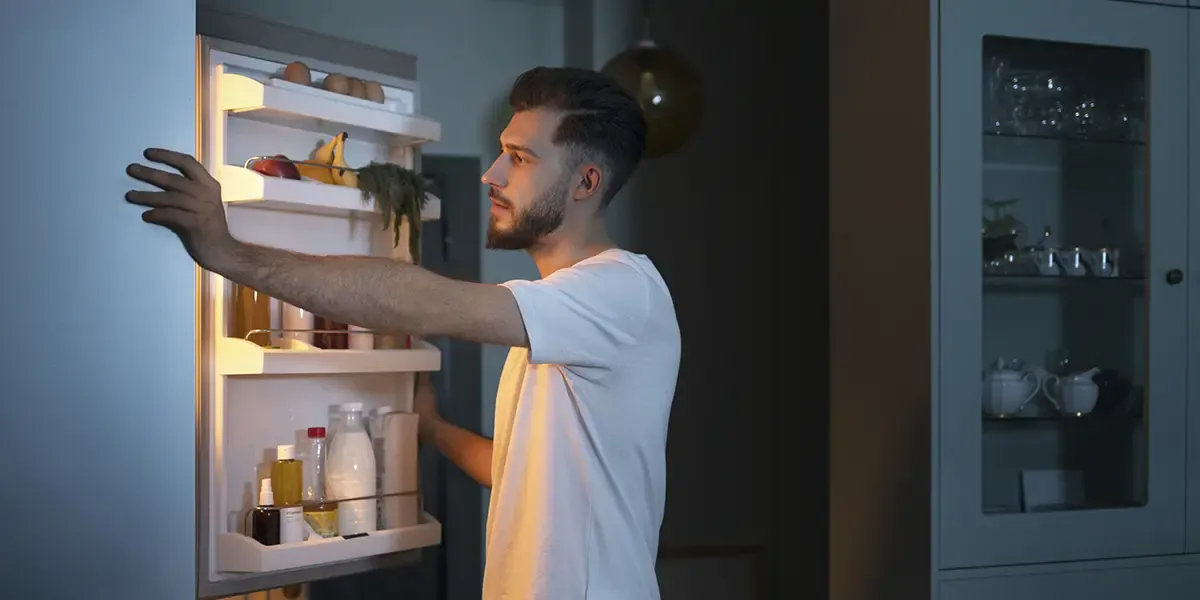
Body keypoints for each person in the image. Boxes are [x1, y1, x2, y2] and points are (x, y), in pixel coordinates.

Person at [124, 66, 681, 599]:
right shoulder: (564, 315)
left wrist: (230, 254)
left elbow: (419, 302)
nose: (493, 173)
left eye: (519, 158)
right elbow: (514, 470)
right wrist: (433, 428)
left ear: (586, 182)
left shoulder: (621, 291)